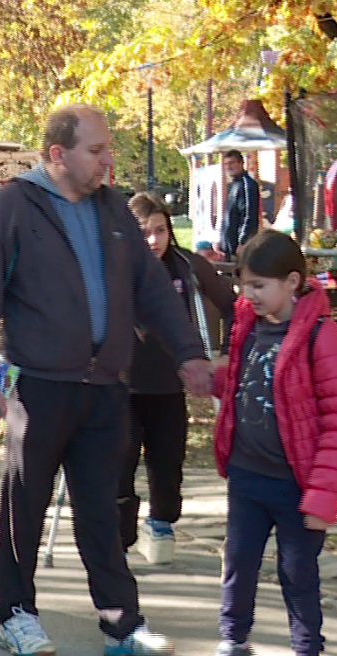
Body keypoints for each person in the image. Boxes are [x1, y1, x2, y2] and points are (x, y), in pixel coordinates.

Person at [0, 103, 211, 656]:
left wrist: (189, 354)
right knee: (25, 505)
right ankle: (15, 615)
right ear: (57, 154)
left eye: (108, 150)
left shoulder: (113, 212)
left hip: (103, 387)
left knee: (102, 508)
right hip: (39, 385)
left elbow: (151, 291)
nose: (106, 162)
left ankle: (122, 625)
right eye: (96, 151)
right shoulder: (15, 208)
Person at [196, 229, 337, 656]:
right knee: (239, 563)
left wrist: (325, 498)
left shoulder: (322, 336)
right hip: (248, 475)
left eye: (258, 286)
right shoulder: (249, 324)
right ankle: (234, 644)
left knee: (298, 572)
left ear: (292, 282)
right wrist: (213, 381)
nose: (248, 295)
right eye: (244, 285)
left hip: (297, 484)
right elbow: (247, 384)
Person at [120, 192, 236, 562]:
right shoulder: (112, 265)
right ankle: (117, 535)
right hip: (118, 384)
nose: (154, 240)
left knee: (167, 462)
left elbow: (235, 305)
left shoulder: (187, 266)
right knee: (117, 463)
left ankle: (160, 523)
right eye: (144, 232)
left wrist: (226, 353)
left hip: (169, 383)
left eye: (160, 230)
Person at [218, 150, 260, 262]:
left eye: (232, 163)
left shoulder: (247, 185)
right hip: (229, 249)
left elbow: (249, 215)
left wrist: (243, 242)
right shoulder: (235, 185)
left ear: (241, 163)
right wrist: (221, 241)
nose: (229, 167)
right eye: (226, 164)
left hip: (239, 249)